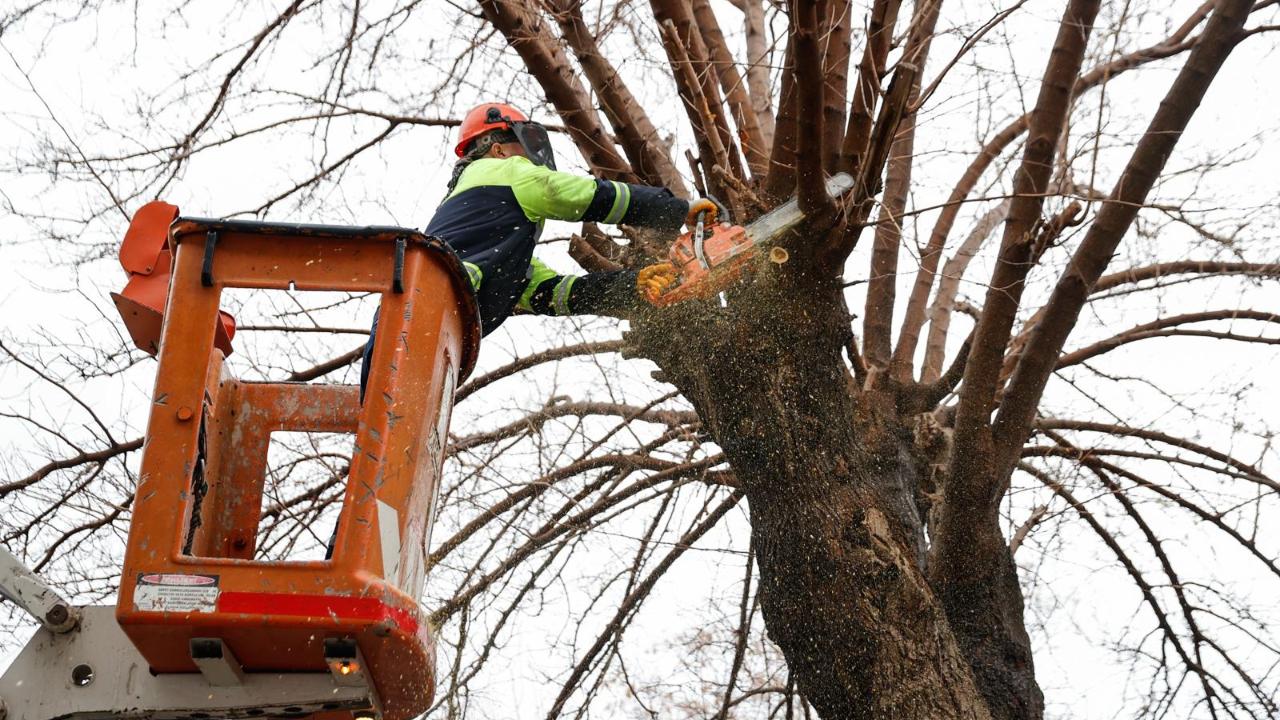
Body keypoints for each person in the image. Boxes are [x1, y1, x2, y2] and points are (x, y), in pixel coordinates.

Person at [359, 102, 716, 392]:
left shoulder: (491, 239)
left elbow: (553, 294)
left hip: (415, 339)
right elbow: (582, 194)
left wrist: (632, 286)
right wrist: (676, 210)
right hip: (423, 313)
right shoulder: (500, 172)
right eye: (521, 150)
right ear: (497, 149)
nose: (529, 162)